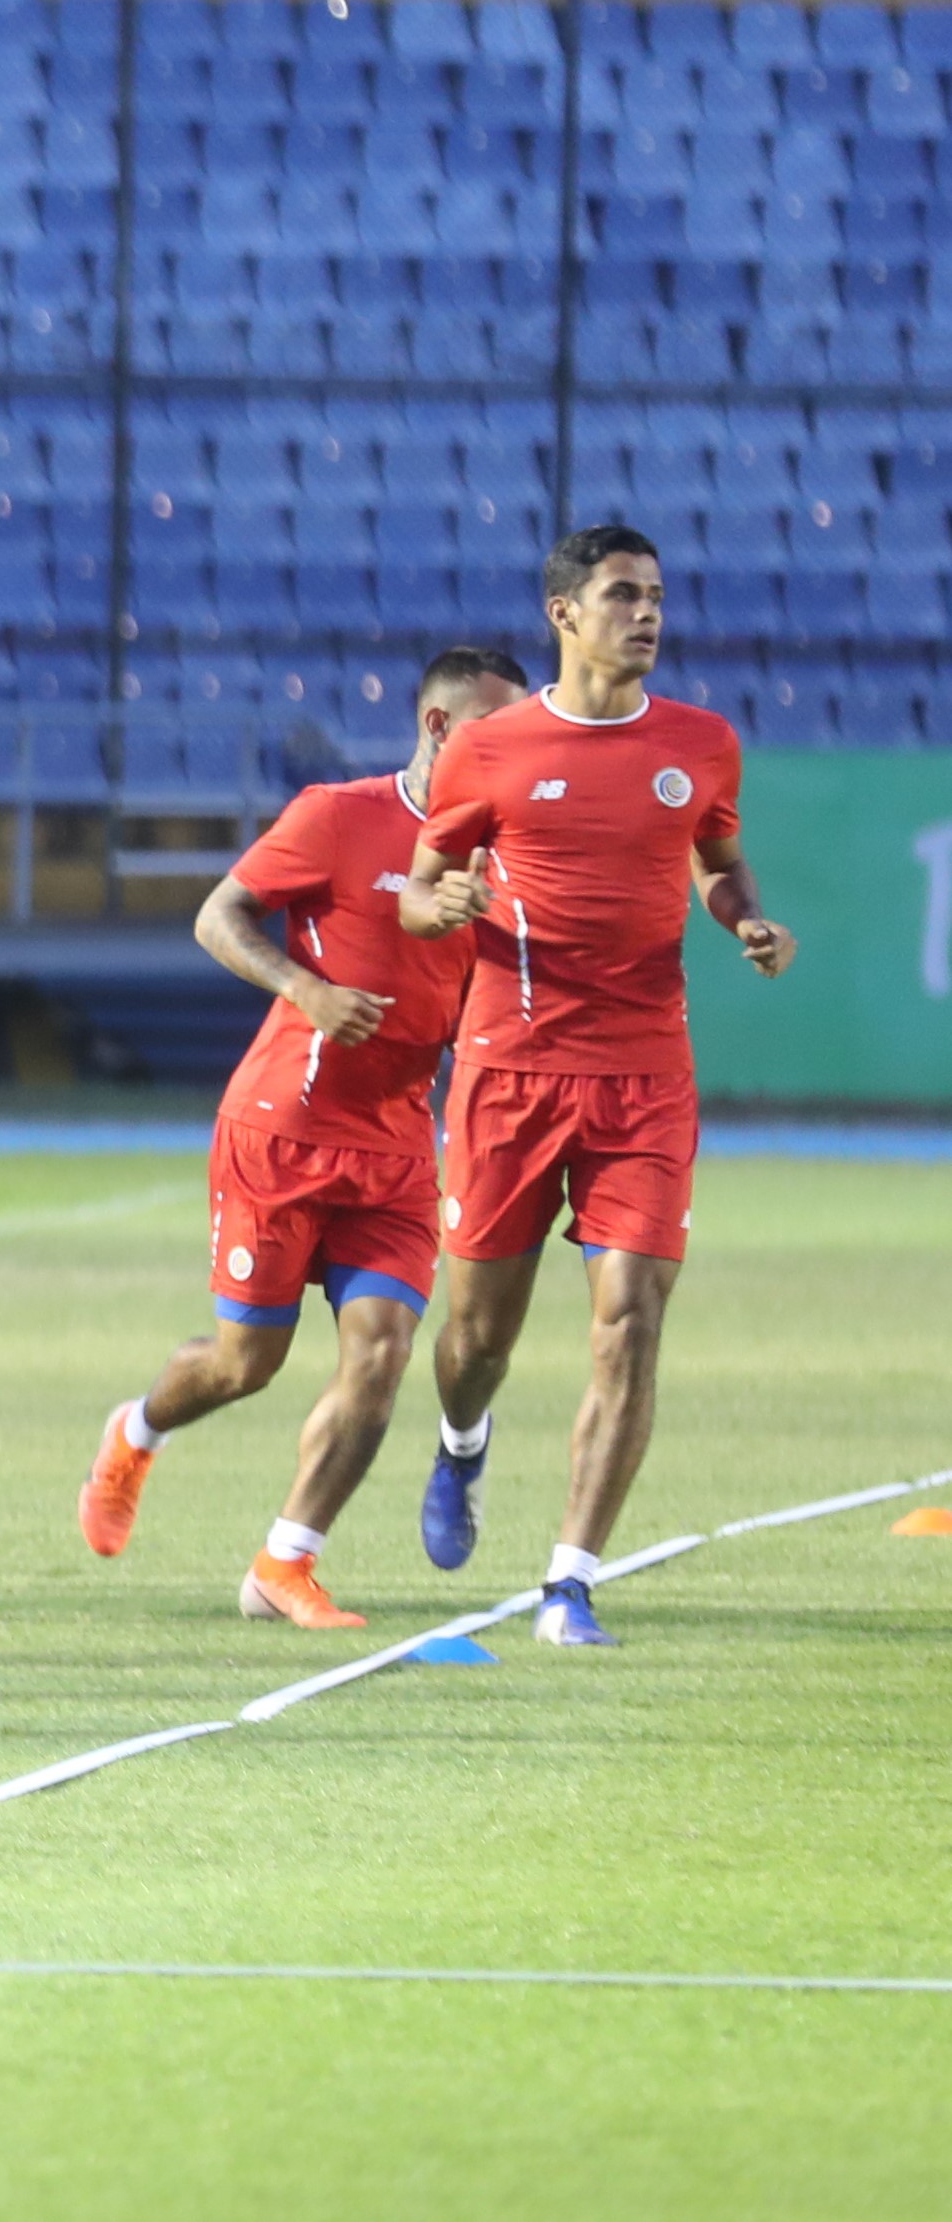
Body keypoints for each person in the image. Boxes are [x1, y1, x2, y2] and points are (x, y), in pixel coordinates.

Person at [76, 646, 530, 1625]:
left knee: (381, 1351)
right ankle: (138, 1429)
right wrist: (305, 988)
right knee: (246, 1364)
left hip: (398, 1149)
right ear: (441, 728)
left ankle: (284, 1562)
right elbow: (218, 916)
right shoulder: (338, 815)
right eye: (499, 729)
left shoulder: (511, 851)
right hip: (280, 1133)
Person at [398, 524, 794, 1647]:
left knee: (629, 1320)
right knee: (475, 1340)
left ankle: (567, 1582)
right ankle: (462, 1444)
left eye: (657, 595)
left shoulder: (702, 744)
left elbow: (716, 861)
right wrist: (444, 910)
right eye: (622, 595)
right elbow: (417, 892)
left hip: (644, 1079)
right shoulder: (492, 750)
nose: (647, 614)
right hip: (508, 1075)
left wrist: (743, 918)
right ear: (562, 614)